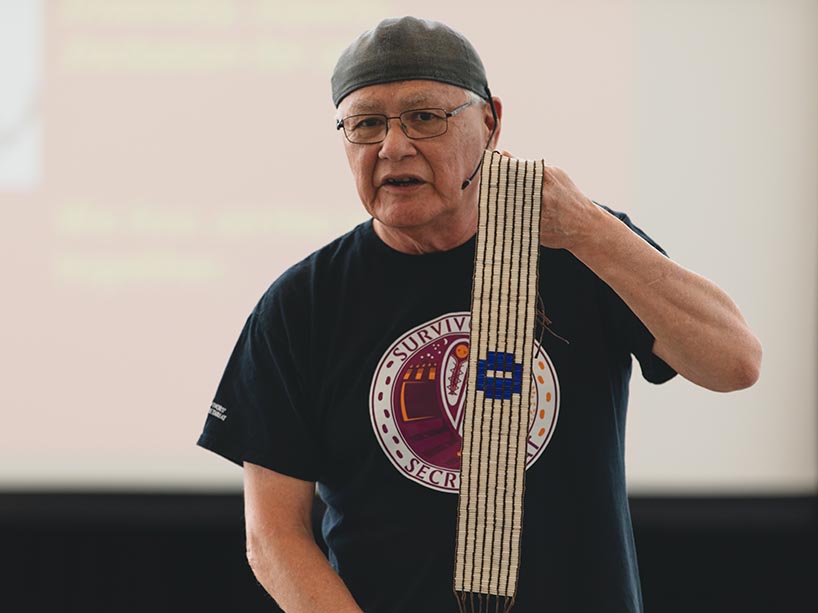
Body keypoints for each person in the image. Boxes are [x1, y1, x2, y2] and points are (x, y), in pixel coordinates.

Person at [197, 16, 761, 613]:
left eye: (424, 117)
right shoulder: (300, 306)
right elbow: (273, 536)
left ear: (490, 123)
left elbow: (735, 363)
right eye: (365, 124)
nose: (393, 146)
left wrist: (593, 229)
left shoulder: (581, 248)